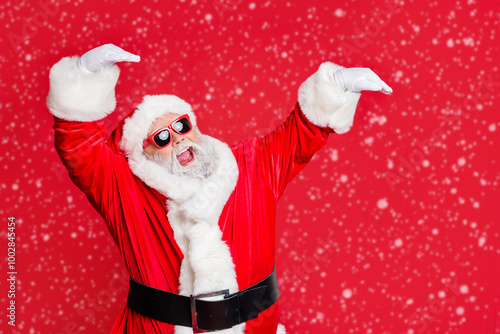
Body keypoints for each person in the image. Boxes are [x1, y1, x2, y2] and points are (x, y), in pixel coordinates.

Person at [47, 44, 392, 334]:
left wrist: (337, 84)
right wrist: (84, 75)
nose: (178, 138)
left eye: (182, 125)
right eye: (162, 138)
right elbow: (79, 149)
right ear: (143, 155)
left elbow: (299, 135)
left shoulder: (252, 166)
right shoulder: (124, 189)